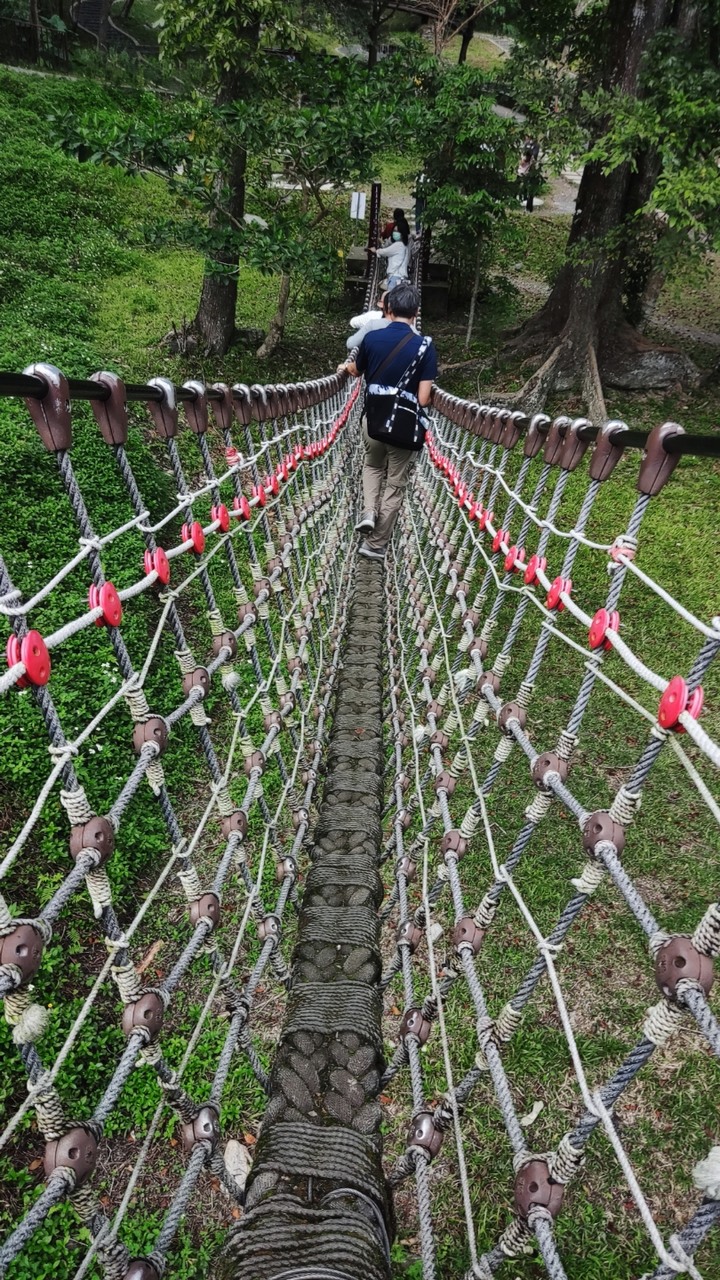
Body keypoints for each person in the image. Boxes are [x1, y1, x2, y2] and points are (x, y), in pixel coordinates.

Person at [336, 283, 437, 563]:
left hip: (373, 420)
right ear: (415, 313)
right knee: (395, 483)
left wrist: (346, 368)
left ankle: (368, 510)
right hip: (404, 428)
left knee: (371, 465)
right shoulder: (425, 346)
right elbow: (425, 398)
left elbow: (356, 371)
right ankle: (375, 544)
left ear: (387, 309)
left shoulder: (372, 339)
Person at [518, 137, 541, 212]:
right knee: (521, 183)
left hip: (531, 168)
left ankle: (529, 207)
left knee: (531, 187)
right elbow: (524, 153)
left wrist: (527, 158)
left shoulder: (536, 145)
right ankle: (522, 199)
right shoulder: (526, 144)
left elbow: (534, 155)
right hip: (523, 168)